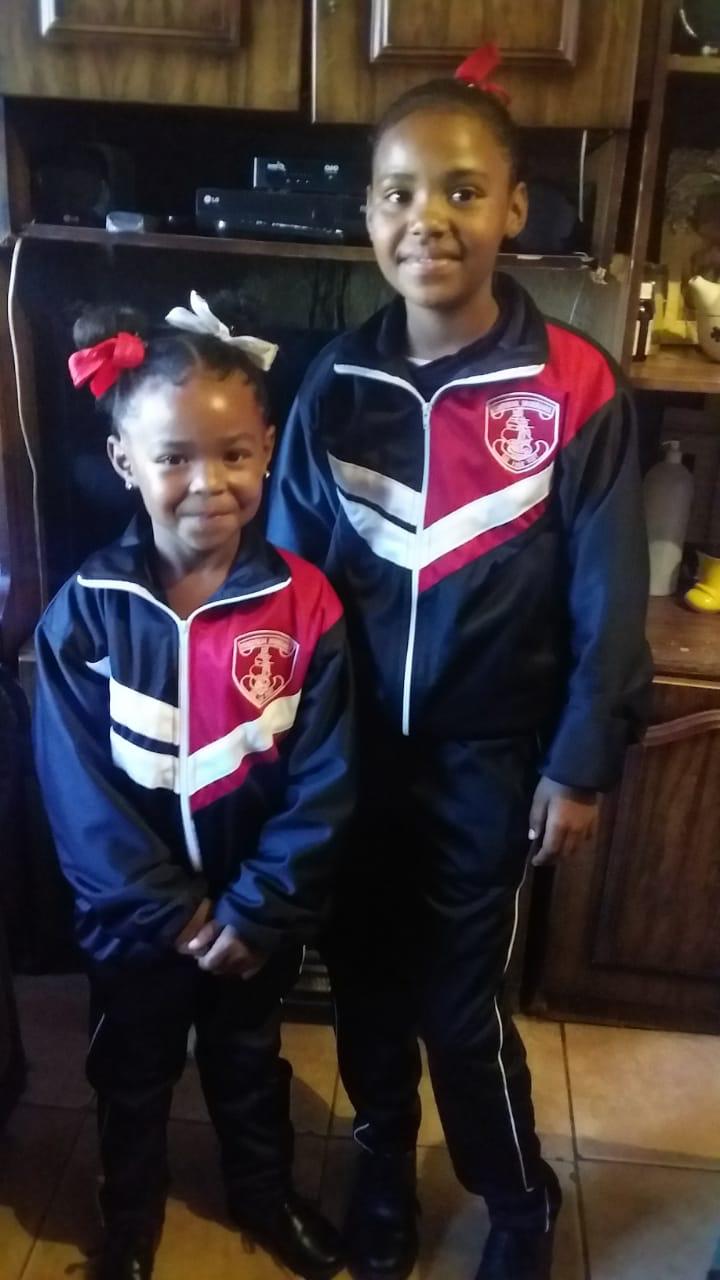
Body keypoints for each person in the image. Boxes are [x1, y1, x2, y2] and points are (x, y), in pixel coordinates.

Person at [267, 44, 652, 1280]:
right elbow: (287, 585)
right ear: (367, 214)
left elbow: (608, 595)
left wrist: (580, 761)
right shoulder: (335, 382)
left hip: (491, 760)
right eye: (398, 192)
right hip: (351, 757)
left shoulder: (577, 383)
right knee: (366, 980)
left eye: (462, 189)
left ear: (514, 209)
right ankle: (383, 1158)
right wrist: (277, 743)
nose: (427, 217)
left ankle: (517, 1197)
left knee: (460, 1001)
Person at [33, 291, 353, 1280]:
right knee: (130, 1073)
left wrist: (256, 911)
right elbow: (77, 793)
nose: (207, 484)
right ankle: (129, 1222)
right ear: (126, 461)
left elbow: (325, 779)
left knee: (248, 1064)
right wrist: (170, 914)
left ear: (267, 451)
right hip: (135, 925)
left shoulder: (306, 605)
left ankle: (264, 1193)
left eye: (233, 455)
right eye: (173, 457)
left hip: (255, 920)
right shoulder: (88, 611)